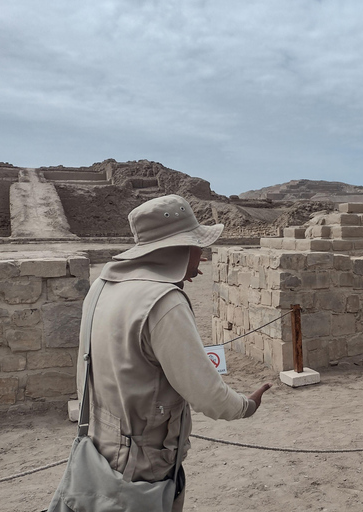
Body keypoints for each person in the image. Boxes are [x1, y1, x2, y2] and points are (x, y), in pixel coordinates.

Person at [75, 194, 271, 512]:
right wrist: (247, 405)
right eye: (197, 246)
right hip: (144, 468)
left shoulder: (101, 286)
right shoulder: (165, 302)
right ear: (177, 248)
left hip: (99, 451)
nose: (203, 256)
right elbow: (208, 395)